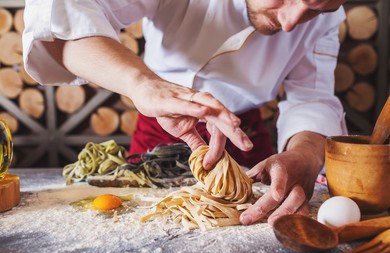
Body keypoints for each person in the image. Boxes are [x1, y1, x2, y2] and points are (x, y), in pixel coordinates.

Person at [23, 0, 348, 226]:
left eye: (316, 11)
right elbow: (59, 14)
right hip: (161, 131)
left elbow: (312, 98)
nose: (291, 23)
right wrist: (143, 84)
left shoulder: (325, 18)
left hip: (245, 142)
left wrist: (305, 156)